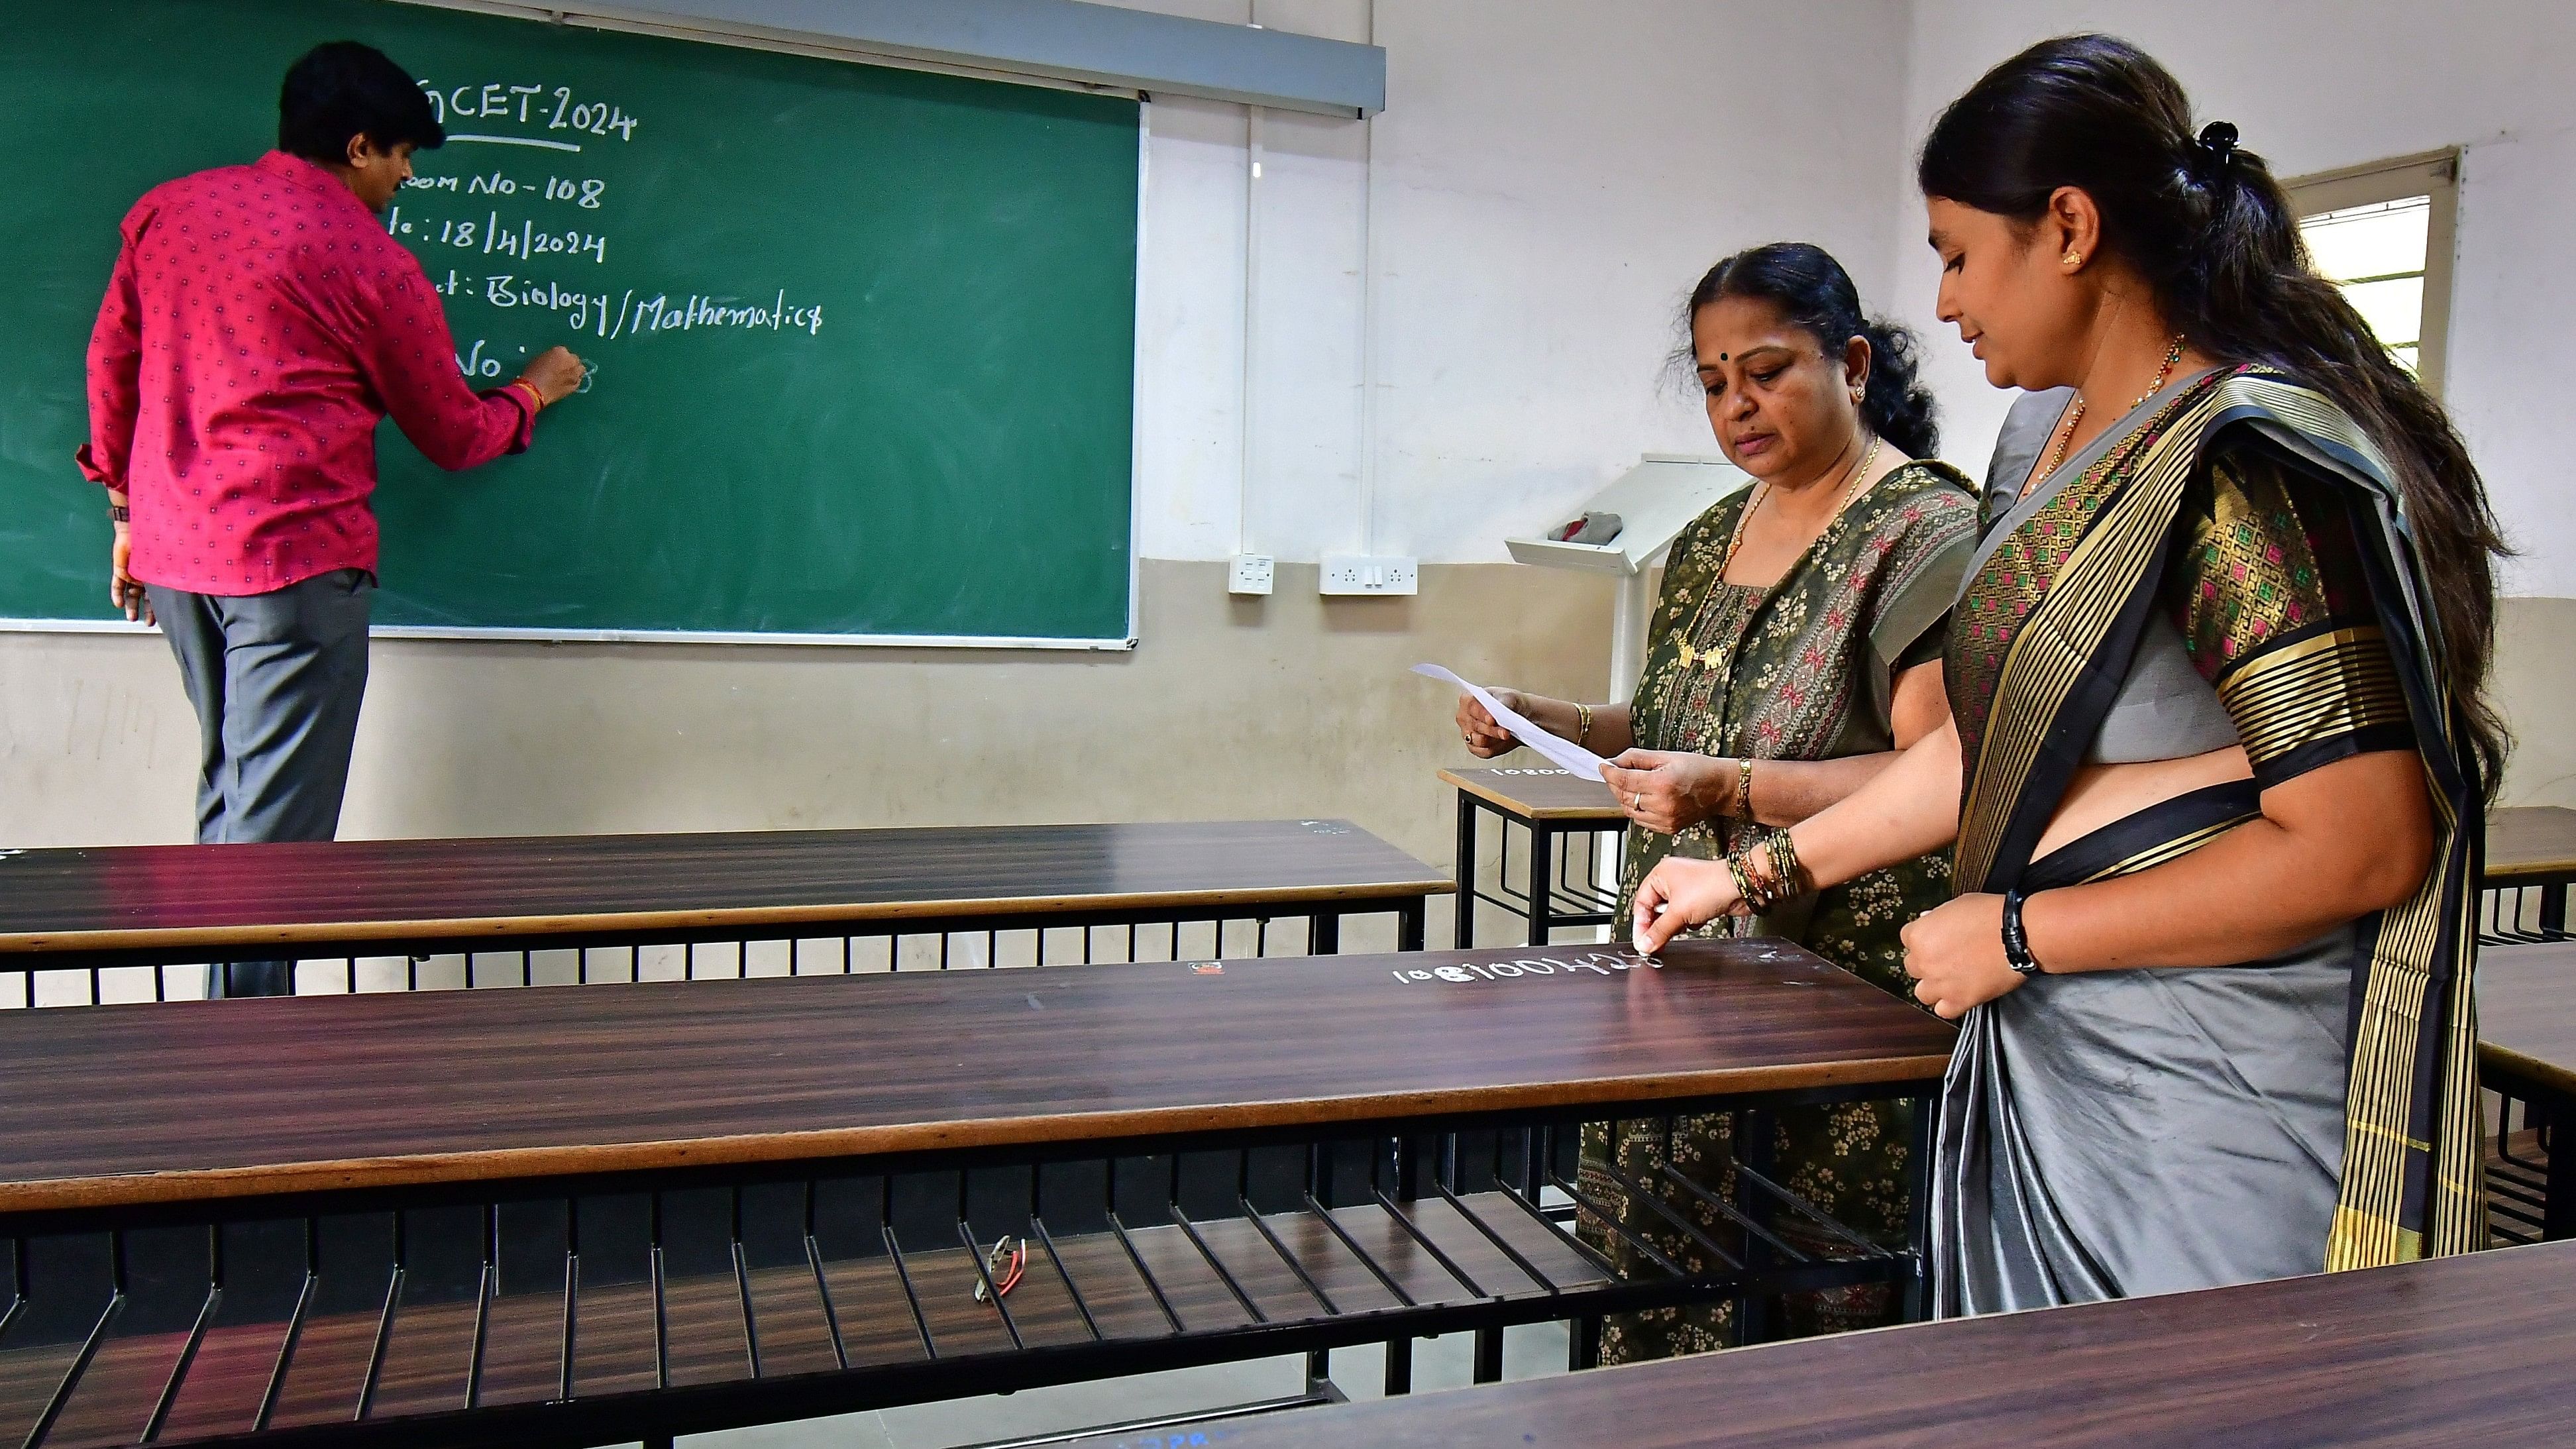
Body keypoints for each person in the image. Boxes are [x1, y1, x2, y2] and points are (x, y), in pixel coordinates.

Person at [1636, 34, 2502, 1316]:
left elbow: (2362, 840)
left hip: (2206, 1087)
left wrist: (2027, 932)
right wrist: (1751, 871)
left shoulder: (2243, 463)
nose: (1940, 302)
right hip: (2049, 1042)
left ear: (2072, 228)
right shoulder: (2042, 441)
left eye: (1956, 254)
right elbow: (1985, 752)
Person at [1455, 242, 1979, 1354]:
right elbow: (1664, 724)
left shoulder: (1923, 535)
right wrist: (1542, 716)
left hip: (1837, 988)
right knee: (1649, 1261)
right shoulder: (1709, 538)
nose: (1736, 405)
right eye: (1711, 381)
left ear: (1852, 365)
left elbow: (1940, 770)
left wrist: (1732, 789)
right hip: (1677, 956)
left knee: (1790, 1280)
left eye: (1767, 371)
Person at [79, 42, 587, 997]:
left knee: (236, 797)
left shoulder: (166, 212)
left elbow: (113, 370)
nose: (404, 180)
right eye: (401, 158)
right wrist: (532, 392)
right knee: (275, 844)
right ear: (358, 147)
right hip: (291, 568)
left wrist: (123, 511)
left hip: (177, 556)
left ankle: (208, 1038)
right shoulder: (370, 262)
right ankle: (242, 1069)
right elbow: (449, 432)